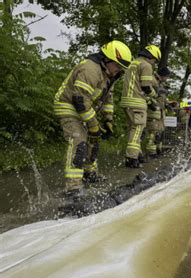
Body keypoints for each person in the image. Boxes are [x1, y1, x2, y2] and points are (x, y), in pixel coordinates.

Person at [53, 40, 132, 198]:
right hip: (68, 105)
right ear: (107, 59)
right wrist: (93, 124)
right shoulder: (90, 69)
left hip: (84, 107)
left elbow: (107, 98)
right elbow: (79, 100)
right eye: (117, 66)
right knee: (79, 141)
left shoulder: (109, 75)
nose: (119, 71)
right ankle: (73, 187)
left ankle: (89, 173)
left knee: (94, 141)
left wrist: (108, 119)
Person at [120, 44, 161, 168]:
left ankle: (138, 155)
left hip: (126, 101)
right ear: (152, 56)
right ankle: (131, 158)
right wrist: (155, 94)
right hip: (136, 102)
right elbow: (146, 87)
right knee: (137, 129)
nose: (154, 63)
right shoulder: (146, 65)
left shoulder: (133, 64)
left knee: (133, 130)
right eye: (155, 60)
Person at [145, 66, 171, 158]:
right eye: (167, 77)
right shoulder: (152, 80)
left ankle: (158, 150)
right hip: (152, 111)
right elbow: (146, 93)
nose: (167, 79)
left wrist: (168, 104)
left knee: (159, 133)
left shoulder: (160, 83)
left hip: (160, 112)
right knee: (153, 133)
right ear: (163, 75)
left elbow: (162, 98)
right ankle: (151, 153)